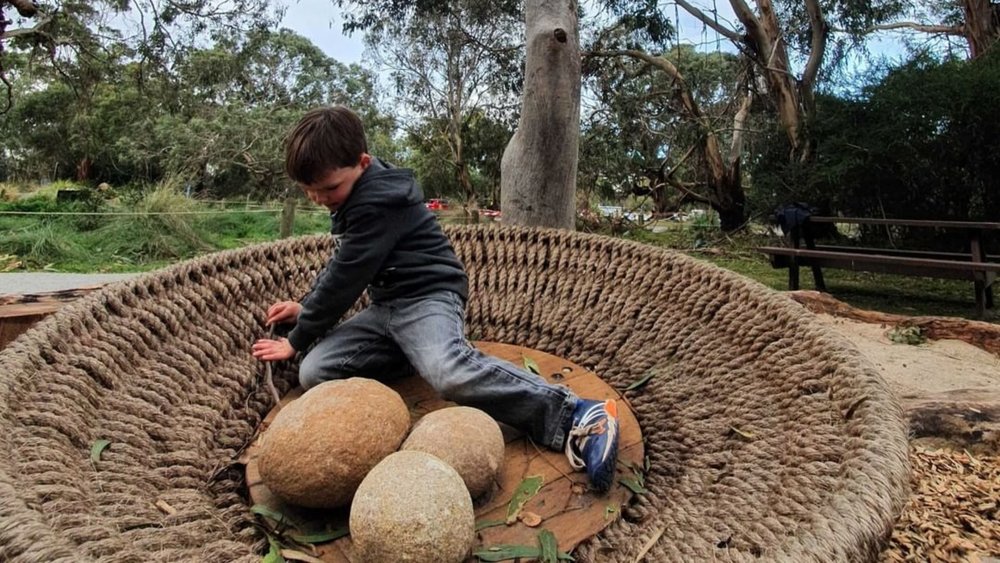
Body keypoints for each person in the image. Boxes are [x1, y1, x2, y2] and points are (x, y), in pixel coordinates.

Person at [251, 106, 620, 492]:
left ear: (363, 163)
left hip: (429, 298)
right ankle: (415, 354)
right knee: (316, 372)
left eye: (329, 188)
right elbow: (341, 261)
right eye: (308, 190)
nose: (318, 198)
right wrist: (306, 307)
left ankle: (575, 414)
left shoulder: (379, 203)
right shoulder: (351, 197)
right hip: (386, 306)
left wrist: (297, 338)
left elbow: (345, 278)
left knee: (447, 372)